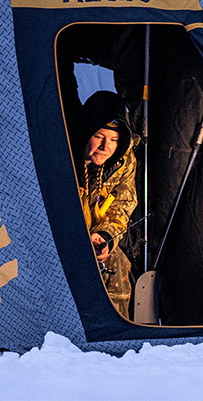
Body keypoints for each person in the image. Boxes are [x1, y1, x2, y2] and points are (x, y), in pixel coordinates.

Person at [75, 91, 138, 319]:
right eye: (99, 136)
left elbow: (123, 202)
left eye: (114, 140)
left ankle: (118, 334)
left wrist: (105, 236)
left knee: (118, 263)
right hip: (66, 238)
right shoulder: (64, 156)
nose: (105, 147)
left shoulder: (123, 160)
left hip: (96, 234)